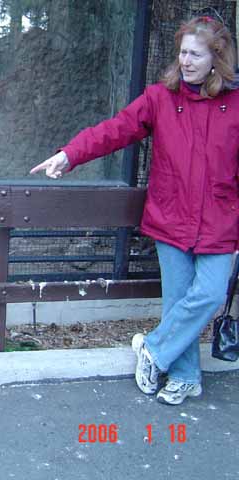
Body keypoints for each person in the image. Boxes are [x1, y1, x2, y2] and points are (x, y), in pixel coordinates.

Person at [30, 16, 239, 406]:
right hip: (171, 220)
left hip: (219, 224)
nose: (186, 61)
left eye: (195, 54)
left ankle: (154, 350)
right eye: (182, 53)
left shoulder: (236, 105)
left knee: (209, 295)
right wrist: (69, 154)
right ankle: (185, 377)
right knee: (178, 302)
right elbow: (115, 129)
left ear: (217, 58)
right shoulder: (161, 97)